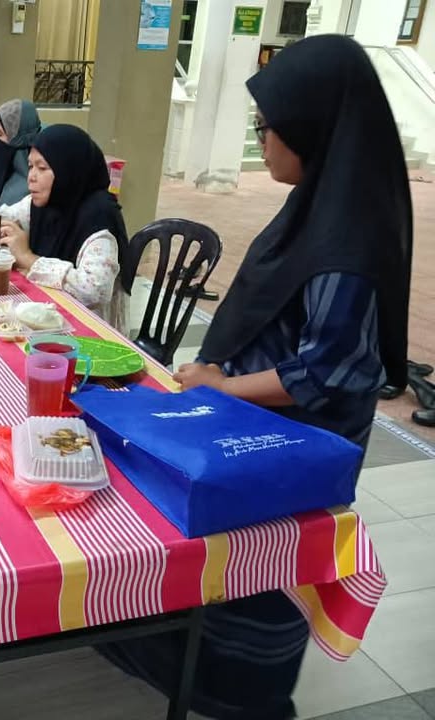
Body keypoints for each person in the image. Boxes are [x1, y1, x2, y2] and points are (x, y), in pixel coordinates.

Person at [100, 35, 413, 719]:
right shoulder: (323, 201)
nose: (262, 139)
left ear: (311, 125)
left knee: (259, 583)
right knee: (226, 568)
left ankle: (238, 695)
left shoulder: (348, 237)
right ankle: (195, 667)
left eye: (268, 126)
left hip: (287, 447)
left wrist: (221, 385)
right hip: (257, 430)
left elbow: (330, 368)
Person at [0, 124, 130, 333]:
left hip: (90, 331)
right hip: (51, 317)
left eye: (42, 168)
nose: (31, 176)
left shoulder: (99, 216)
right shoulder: (49, 201)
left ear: (68, 169)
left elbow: (94, 290)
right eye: (30, 166)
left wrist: (28, 257)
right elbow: (3, 214)